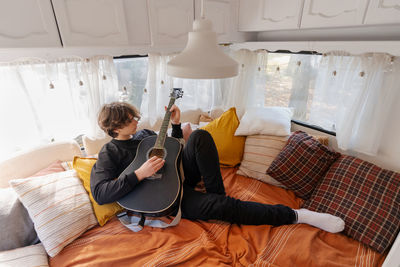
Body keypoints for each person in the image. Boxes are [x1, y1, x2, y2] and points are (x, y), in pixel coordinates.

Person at [90, 102, 345, 233]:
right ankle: (298, 215)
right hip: (162, 198)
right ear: (113, 128)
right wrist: (140, 173)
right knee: (225, 209)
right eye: (128, 120)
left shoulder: (145, 134)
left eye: (134, 116)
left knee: (199, 137)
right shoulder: (109, 152)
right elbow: (101, 194)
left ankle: (216, 193)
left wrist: (177, 125)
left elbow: (176, 150)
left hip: (177, 175)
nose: (136, 121)